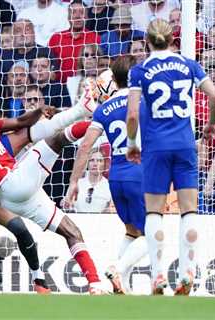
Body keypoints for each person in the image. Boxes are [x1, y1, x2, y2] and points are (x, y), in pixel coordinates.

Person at [0, 96, 107, 294]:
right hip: (12, 184)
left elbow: (21, 122)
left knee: (71, 231)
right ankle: (99, 120)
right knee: (56, 139)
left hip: (17, 198)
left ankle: (95, 284)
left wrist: (39, 111)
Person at [126, 19, 215, 295]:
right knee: (189, 209)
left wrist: (132, 143)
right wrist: (211, 124)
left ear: (147, 41)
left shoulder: (139, 70)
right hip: (184, 144)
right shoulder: (189, 64)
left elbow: (132, 114)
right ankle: (188, 271)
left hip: (155, 147)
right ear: (172, 40)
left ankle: (157, 276)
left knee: (154, 211)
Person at [66, 55, 147, 294]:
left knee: (132, 231)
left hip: (116, 176)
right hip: (140, 171)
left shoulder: (104, 108)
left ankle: (118, 284)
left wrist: (73, 182)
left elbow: (84, 146)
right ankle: (118, 269)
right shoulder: (145, 103)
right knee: (152, 232)